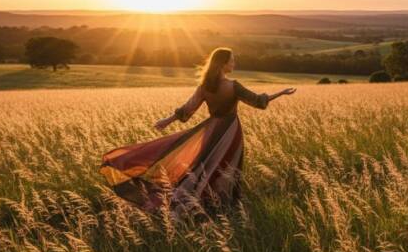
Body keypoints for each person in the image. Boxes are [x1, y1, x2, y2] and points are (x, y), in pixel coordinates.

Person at [100, 48, 295, 216]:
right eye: (232, 60)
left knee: (203, 167)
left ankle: (204, 203)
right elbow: (258, 101)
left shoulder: (205, 87)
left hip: (210, 130)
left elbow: (187, 109)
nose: (234, 63)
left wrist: (167, 121)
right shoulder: (233, 86)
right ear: (223, 64)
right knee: (228, 167)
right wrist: (281, 93)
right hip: (230, 132)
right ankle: (224, 205)